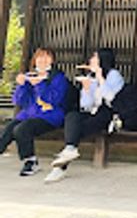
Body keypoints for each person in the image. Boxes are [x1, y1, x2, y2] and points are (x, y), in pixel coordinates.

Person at [45, 48, 124, 183]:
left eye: (94, 57)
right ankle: (69, 149)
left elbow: (111, 99)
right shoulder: (89, 76)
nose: (91, 60)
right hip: (92, 111)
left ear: (102, 60)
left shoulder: (114, 75)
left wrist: (100, 77)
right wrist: (87, 88)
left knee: (77, 130)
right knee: (72, 117)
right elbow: (85, 104)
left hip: (108, 113)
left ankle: (61, 167)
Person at [0, 48, 69, 176]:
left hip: (50, 116)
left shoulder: (58, 78)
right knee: (9, 128)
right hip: (29, 114)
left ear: (52, 60)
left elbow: (52, 100)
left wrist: (40, 84)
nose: (43, 60)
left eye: (47, 57)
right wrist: (21, 85)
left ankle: (31, 162)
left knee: (21, 129)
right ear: (34, 60)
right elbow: (18, 101)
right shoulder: (30, 75)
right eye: (40, 57)